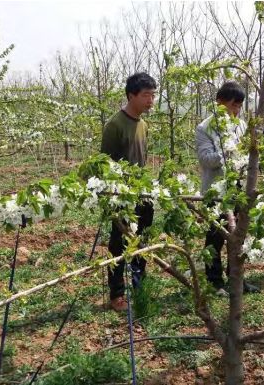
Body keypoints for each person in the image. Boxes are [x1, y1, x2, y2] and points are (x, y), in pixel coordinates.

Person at [195, 81, 259, 296]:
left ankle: (237, 279)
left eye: (239, 106)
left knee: (239, 236)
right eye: (233, 105)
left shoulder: (241, 125)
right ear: (219, 102)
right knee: (215, 236)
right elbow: (206, 160)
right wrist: (228, 152)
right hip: (216, 191)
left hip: (239, 190)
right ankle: (215, 282)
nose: (235, 110)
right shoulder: (205, 127)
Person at [100, 72, 157, 312]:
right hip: (121, 195)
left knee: (142, 239)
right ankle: (116, 294)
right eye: (146, 95)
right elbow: (105, 165)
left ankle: (138, 283)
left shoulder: (143, 124)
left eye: (153, 95)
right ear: (131, 95)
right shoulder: (115, 125)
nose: (150, 100)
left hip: (142, 193)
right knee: (119, 242)